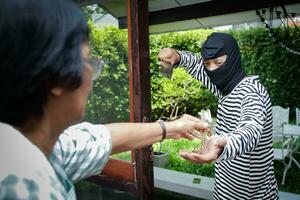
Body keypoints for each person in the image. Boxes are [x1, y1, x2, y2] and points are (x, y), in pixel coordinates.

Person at [0, 0, 209, 199]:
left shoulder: (33, 147)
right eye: (87, 61)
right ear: (54, 77)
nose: (92, 75)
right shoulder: (27, 186)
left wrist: (171, 127)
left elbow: (99, 138)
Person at [158, 32, 278, 199]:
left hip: (252, 194)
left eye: (219, 63)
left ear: (233, 59)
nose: (213, 71)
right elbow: (198, 67)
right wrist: (177, 56)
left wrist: (224, 143)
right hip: (225, 189)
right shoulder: (225, 87)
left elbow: (251, 129)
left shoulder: (252, 92)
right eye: (208, 64)